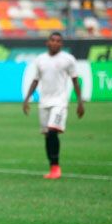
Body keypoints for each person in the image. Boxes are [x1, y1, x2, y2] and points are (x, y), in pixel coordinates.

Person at [23, 32, 85, 180]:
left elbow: (75, 80)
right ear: (47, 42)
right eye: (53, 40)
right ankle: (52, 167)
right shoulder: (40, 60)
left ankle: (56, 167)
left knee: (52, 132)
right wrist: (26, 99)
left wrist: (80, 102)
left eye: (58, 41)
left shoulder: (68, 60)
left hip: (60, 102)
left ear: (61, 44)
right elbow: (36, 80)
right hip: (44, 103)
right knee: (47, 135)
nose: (55, 43)